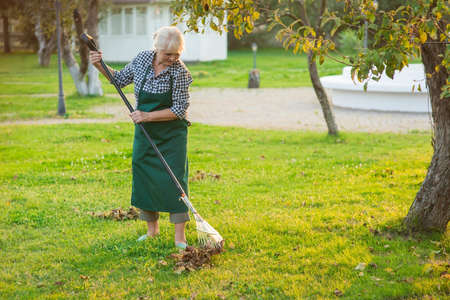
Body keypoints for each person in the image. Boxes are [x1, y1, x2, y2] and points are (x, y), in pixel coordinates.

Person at [89, 26, 193, 249]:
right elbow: (119, 80)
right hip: (146, 134)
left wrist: (147, 115)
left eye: (177, 54)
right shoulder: (142, 59)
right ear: (156, 49)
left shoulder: (180, 72)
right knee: (145, 176)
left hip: (172, 134)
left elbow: (180, 109)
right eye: (168, 54)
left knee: (175, 181)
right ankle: (151, 231)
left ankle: (179, 238)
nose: (173, 58)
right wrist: (99, 65)